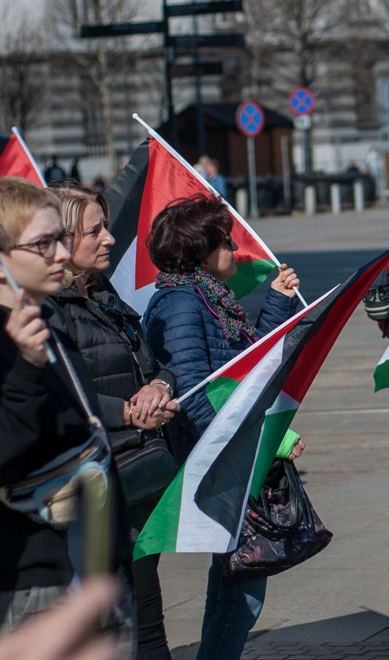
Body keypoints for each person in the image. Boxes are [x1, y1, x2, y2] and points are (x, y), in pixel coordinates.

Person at [0, 177, 132, 640]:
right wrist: (25, 369)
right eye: (43, 244)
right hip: (34, 582)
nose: (62, 255)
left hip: (94, 566)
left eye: (61, 240)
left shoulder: (53, 329)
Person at [141, 193, 304, 660]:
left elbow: (246, 363)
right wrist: (246, 446)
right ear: (200, 251)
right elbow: (194, 389)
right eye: (226, 241)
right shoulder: (182, 304)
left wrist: (277, 302)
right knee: (244, 589)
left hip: (227, 454)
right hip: (216, 459)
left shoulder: (209, 298)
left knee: (235, 581)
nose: (237, 248)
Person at [49, 186, 184, 660]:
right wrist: (128, 411)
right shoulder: (51, 309)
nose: (109, 238)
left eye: (105, 226)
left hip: (138, 471)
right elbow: (63, 397)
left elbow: (154, 362)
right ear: (62, 240)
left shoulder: (104, 292)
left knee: (147, 618)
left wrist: (159, 389)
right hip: (94, 486)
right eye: (95, 230)